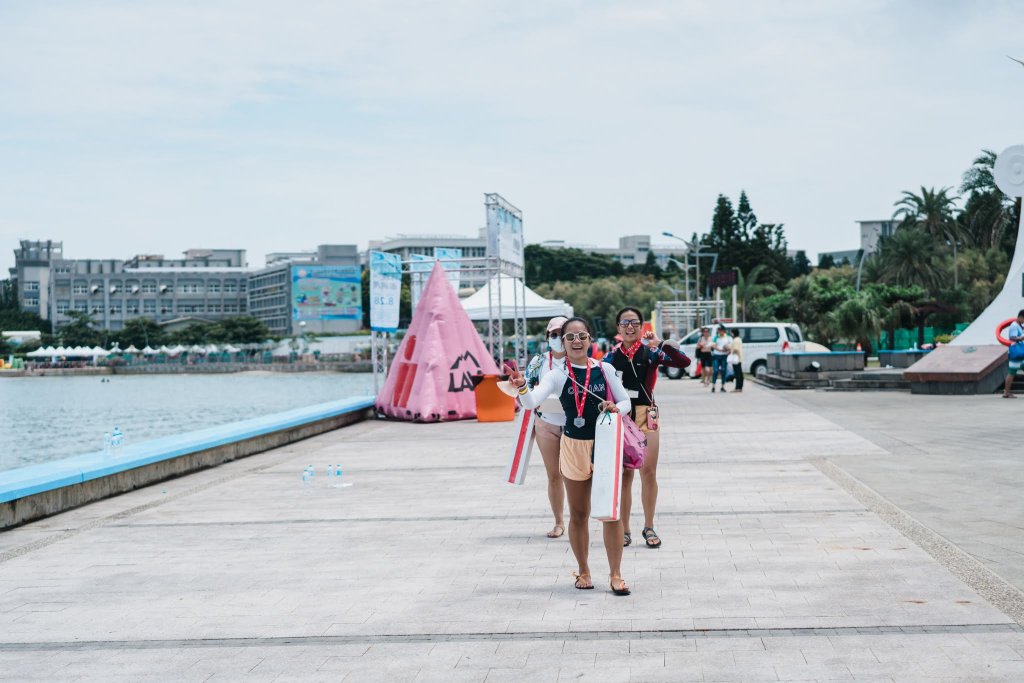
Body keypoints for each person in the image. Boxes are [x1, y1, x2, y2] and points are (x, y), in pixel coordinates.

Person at [508, 317, 634, 595]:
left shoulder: (606, 369)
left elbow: (625, 401)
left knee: (610, 514)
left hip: (604, 445)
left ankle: (616, 574)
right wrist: (521, 387)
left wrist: (616, 407)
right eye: (570, 337)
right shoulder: (556, 375)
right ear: (562, 343)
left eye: (582, 336)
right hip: (573, 446)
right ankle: (584, 571)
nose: (576, 341)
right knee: (579, 514)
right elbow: (531, 402)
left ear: (590, 339)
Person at [603, 307, 690, 550]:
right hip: (622, 416)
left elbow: (683, 362)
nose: (629, 327)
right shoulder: (609, 359)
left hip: (647, 414)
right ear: (617, 328)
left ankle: (649, 525)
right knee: (625, 475)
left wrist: (661, 343)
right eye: (624, 323)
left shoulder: (651, 353)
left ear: (642, 326)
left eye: (634, 322)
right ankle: (625, 529)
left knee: (649, 471)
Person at [523, 316, 569, 537]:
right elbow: (525, 389)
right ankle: (559, 521)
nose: (558, 338)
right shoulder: (538, 361)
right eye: (554, 334)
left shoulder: (579, 359)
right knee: (553, 475)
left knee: (578, 475)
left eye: (563, 334)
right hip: (546, 423)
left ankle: (580, 518)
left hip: (574, 425)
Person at [1003, 309, 1024, 399]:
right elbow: (1013, 337)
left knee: (1011, 372)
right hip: (1016, 353)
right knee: (1011, 372)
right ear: (1020, 317)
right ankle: (1006, 392)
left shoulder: (1019, 325)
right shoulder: (1014, 325)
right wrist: (1022, 338)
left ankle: (1006, 392)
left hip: (1020, 353)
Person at [710, 326, 732, 393]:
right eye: (719, 330)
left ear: (724, 330)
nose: (720, 331)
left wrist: (729, 351)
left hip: (724, 356)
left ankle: (723, 386)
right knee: (715, 371)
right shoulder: (716, 337)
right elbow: (713, 346)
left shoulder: (728, 337)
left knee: (723, 370)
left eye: (721, 330)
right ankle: (713, 386)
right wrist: (721, 350)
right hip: (716, 355)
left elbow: (731, 346)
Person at [730, 328, 744, 393]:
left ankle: (737, 388)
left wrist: (731, 353)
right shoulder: (739, 339)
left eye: (731, 332)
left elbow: (735, 349)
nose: (731, 334)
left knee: (737, 374)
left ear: (733, 333)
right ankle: (740, 387)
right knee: (740, 373)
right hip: (740, 358)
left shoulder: (735, 340)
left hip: (736, 359)